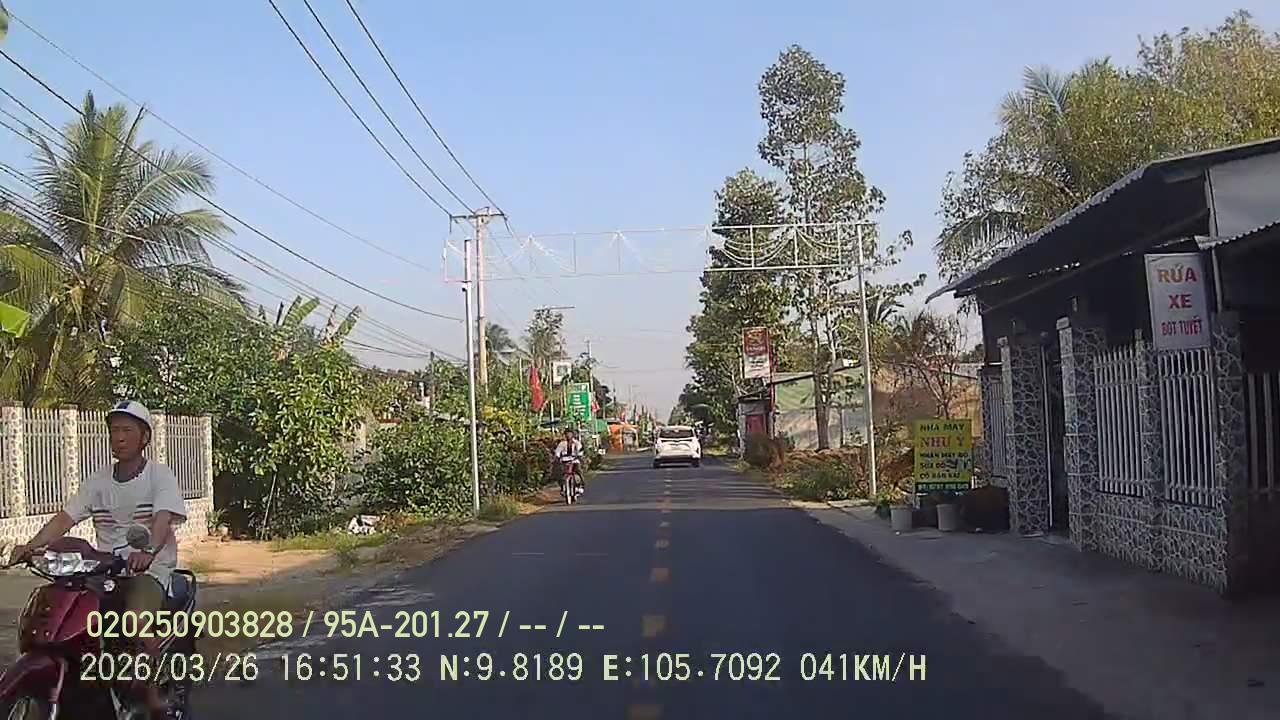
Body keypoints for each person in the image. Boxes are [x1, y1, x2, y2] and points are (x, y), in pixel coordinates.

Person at [7, 400, 187, 718]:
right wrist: (30, 546)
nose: (119, 437)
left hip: (147, 570)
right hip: (104, 570)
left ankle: (153, 697)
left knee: (135, 622)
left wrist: (148, 552)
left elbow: (161, 520)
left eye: (127, 430)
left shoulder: (160, 476)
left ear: (144, 437)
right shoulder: (98, 481)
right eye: (114, 430)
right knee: (68, 617)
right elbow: (65, 518)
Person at [554, 427, 585, 495]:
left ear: (572, 434)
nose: (568, 435)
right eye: (567, 434)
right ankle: (562, 488)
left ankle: (581, 486)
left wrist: (579, 455)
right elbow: (558, 451)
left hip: (574, 460)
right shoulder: (562, 443)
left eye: (570, 434)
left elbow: (580, 450)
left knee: (579, 471)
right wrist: (558, 456)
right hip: (564, 460)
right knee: (560, 474)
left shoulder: (576, 443)